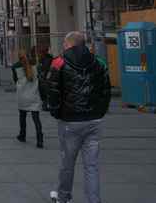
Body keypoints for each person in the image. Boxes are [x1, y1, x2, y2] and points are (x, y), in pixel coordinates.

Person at [47, 31, 111, 203]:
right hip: (94, 120)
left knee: (67, 163)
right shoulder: (99, 62)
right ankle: (94, 200)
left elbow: (52, 92)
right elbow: (106, 91)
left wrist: (56, 112)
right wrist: (100, 111)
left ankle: (63, 196)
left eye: (64, 44)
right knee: (92, 166)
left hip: (70, 121)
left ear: (69, 44)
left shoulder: (59, 63)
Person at [13, 49, 43, 148]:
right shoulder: (35, 65)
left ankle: (22, 135)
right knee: (36, 119)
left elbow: (15, 80)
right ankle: (40, 139)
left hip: (22, 95)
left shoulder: (15, 66)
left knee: (22, 116)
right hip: (34, 94)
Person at [37, 46, 53, 111]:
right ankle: (45, 105)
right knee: (44, 92)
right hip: (44, 78)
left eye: (40, 52)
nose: (39, 54)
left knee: (45, 92)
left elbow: (45, 69)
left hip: (45, 78)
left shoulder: (47, 58)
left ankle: (45, 105)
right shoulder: (44, 58)